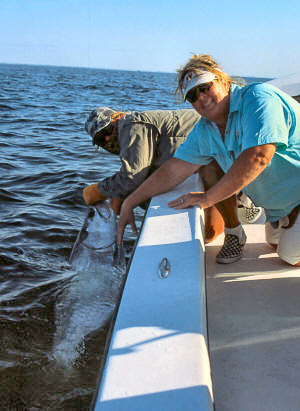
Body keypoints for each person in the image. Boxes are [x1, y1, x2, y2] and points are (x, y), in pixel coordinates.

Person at [117, 54, 300, 267]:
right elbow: (174, 169)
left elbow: (259, 155)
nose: (201, 98)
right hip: (282, 209)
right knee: (274, 244)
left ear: (223, 81)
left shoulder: (258, 97)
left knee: (289, 256)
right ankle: (288, 219)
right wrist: (130, 202)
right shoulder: (205, 130)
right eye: (192, 96)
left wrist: (208, 198)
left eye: (204, 87)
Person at [83, 107, 225, 242]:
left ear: (117, 117)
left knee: (211, 233)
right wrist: (118, 195)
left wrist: (99, 190)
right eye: (100, 139)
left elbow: (133, 177)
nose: (107, 139)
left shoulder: (130, 126)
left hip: (219, 142)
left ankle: (230, 231)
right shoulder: (127, 129)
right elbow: (143, 172)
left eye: (106, 131)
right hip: (207, 149)